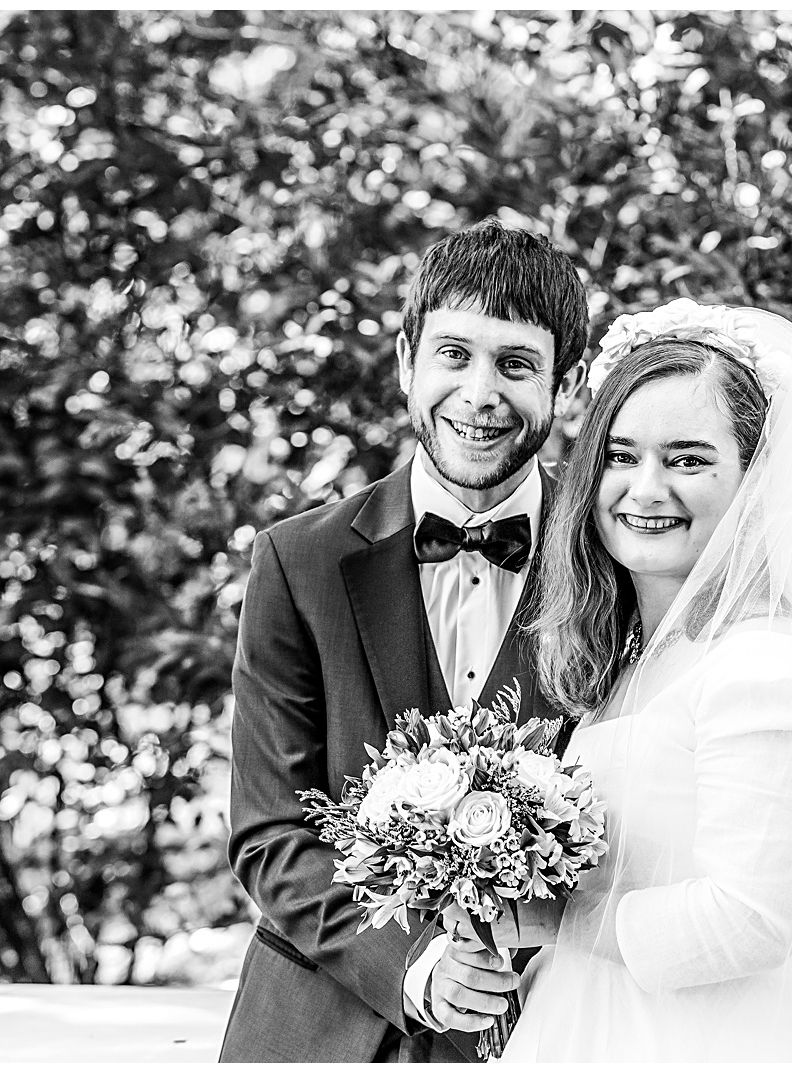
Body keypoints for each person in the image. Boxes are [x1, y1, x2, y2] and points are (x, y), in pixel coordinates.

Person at [458, 300, 792, 1060]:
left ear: (754, 481)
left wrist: (559, 918)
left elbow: (748, 921)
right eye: (621, 454)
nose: (645, 489)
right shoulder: (633, 663)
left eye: (688, 459)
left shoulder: (769, 669)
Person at [218, 221, 589, 1062]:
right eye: (454, 354)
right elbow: (269, 832)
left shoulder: (612, 554)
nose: (480, 392)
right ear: (406, 361)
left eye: (517, 364)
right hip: (321, 1029)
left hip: (557, 1029)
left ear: (563, 386)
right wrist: (416, 964)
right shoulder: (297, 560)